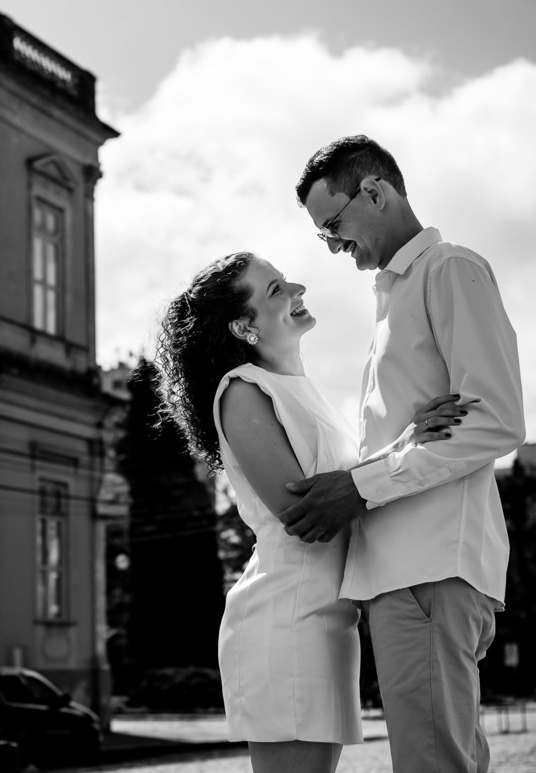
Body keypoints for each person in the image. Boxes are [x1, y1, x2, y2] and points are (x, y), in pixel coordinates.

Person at [153, 252, 468, 773]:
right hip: (286, 618)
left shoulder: (305, 391)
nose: (297, 286)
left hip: (327, 618)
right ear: (243, 325)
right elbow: (306, 515)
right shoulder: (242, 390)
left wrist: (405, 442)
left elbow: (348, 491)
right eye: (275, 289)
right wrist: (403, 450)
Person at [280, 135, 526, 773]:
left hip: (427, 570)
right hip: (408, 573)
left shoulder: (449, 270)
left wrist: (359, 486)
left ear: (375, 192)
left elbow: (494, 420)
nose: (332, 244)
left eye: (333, 224)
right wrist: (395, 450)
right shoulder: (395, 298)